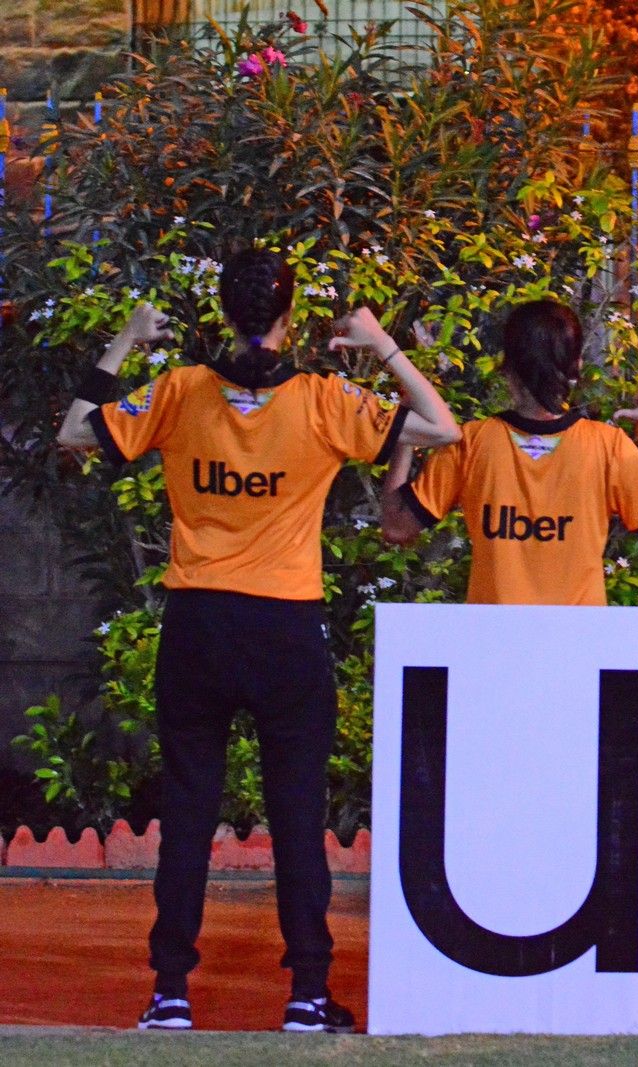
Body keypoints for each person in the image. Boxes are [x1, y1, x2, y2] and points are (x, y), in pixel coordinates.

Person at [56, 249, 461, 1033]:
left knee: (187, 812)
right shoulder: (322, 399)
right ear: (289, 314)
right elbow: (442, 426)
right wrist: (382, 344)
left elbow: (75, 430)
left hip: (199, 624)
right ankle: (307, 993)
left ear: (222, 310)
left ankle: (169, 993)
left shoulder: (180, 391)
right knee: (298, 816)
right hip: (284, 627)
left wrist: (127, 338)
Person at [380, 299, 638, 601]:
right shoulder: (608, 446)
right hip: (577, 633)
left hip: (495, 633)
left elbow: (397, 527)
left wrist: (408, 427)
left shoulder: (470, 442)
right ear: (577, 366)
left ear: (506, 366)